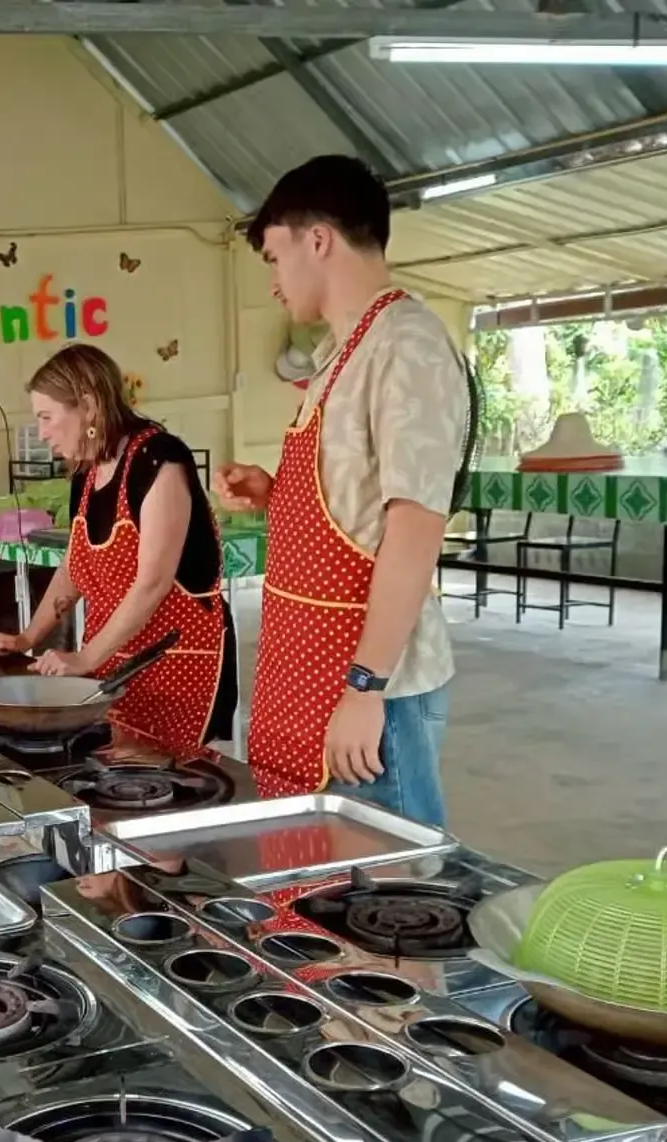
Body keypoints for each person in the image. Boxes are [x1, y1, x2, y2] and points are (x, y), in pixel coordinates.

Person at [218, 155, 469, 827]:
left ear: (318, 239)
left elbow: (415, 528)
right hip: (311, 676)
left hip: (370, 688)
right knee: (318, 892)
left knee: (391, 902)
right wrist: (277, 494)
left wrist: (366, 685)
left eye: (274, 257)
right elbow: (358, 512)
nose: (273, 283)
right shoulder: (343, 354)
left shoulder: (405, 346)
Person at [0, 344, 238, 751]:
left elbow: (152, 583)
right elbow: (74, 566)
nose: (42, 432)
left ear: (87, 406)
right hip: (111, 667)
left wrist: (85, 658)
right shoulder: (86, 475)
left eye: (47, 417)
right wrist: (29, 637)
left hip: (174, 666)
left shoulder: (159, 460)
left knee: (164, 790)